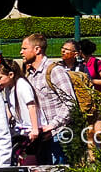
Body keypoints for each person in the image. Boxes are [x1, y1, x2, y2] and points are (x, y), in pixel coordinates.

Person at [20, 34, 76, 165]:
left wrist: (53, 125)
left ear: (37, 49)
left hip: (59, 135)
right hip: (43, 137)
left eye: (24, 48)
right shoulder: (31, 75)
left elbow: (70, 102)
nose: (21, 52)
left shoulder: (54, 70)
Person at [0, 54, 43, 164]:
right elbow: (10, 109)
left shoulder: (21, 85)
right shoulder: (7, 88)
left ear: (10, 74)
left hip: (31, 129)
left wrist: (35, 128)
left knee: (29, 159)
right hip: (22, 129)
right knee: (19, 157)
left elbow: (31, 105)